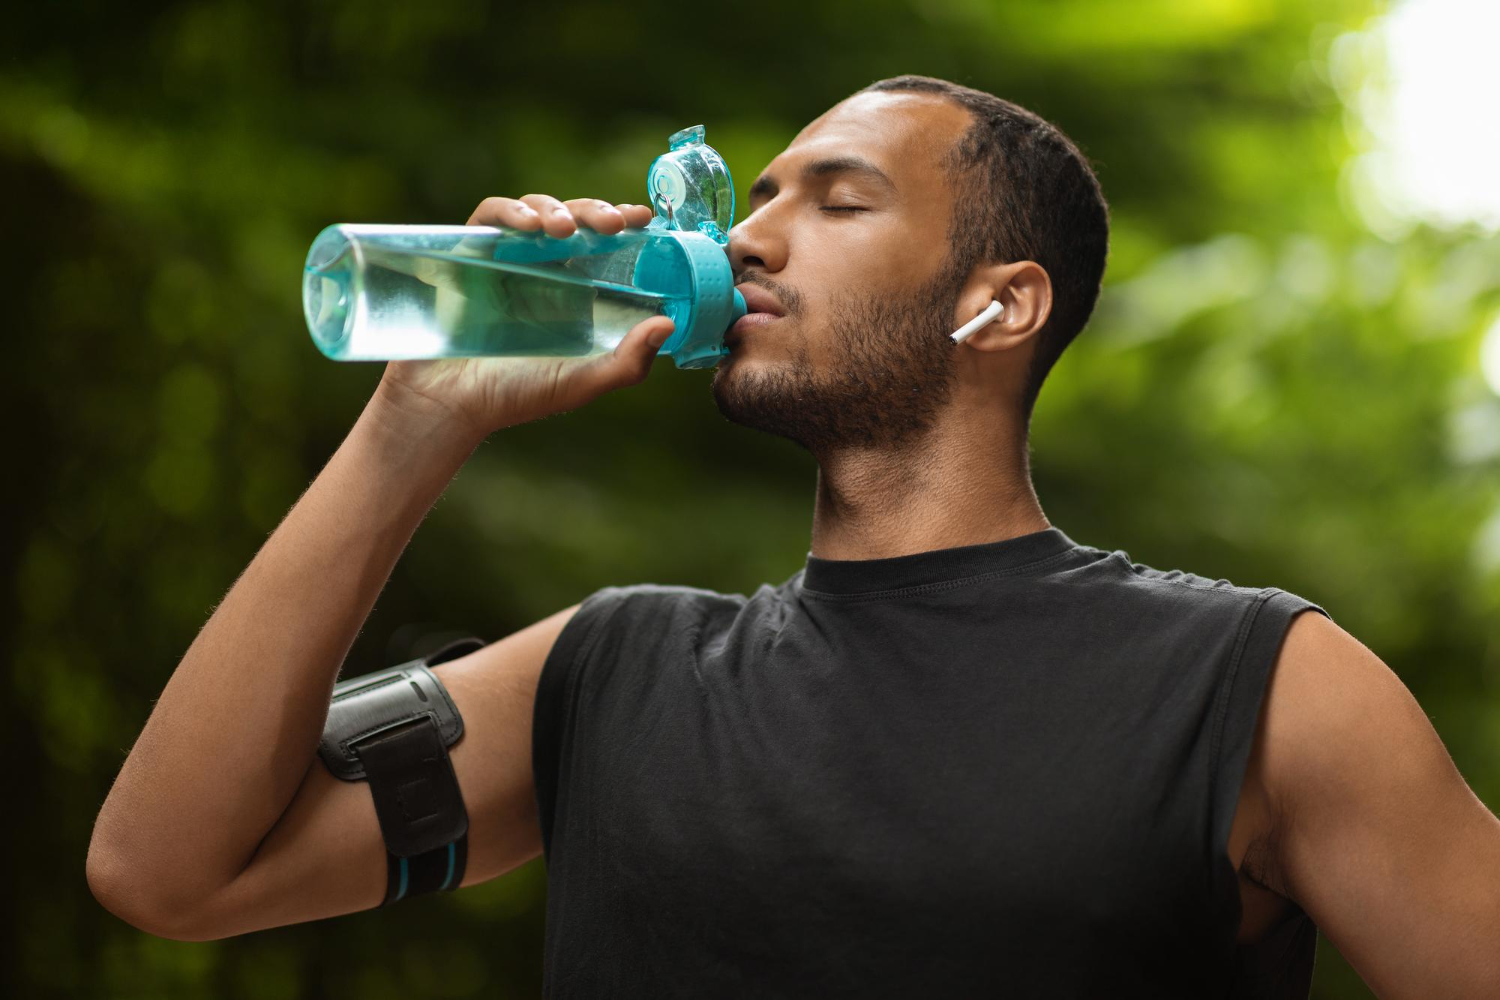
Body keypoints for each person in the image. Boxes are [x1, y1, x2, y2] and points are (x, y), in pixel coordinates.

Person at [86, 75, 1500, 998]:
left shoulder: (1256, 687)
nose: (755, 236)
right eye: (758, 195)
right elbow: (168, 871)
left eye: (838, 199)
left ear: (998, 307)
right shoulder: (608, 672)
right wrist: (416, 424)